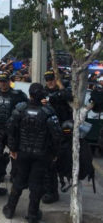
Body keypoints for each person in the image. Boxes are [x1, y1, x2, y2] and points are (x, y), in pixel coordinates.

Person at [2, 83, 62, 223]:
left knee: (18, 181)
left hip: (22, 152)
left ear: (30, 94)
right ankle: (32, 214)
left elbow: (10, 128)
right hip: (41, 154)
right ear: (42, 95)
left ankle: (10, 209)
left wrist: (13, 148)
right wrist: (54, 153)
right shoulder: (48, 112)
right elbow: (57, 135)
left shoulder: (20, 109)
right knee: (37, 184)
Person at [0, 73, 28, 184]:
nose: (3, 84)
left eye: (5, 81)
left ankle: (15, 175)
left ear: (9, 81)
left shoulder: (18, 95)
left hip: (12, 130)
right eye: (1, 81)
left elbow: (27, 106)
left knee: (15, 153)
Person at [42, 70, 73, 204]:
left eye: (52, 79)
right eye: (47, 79)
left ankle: (63, 182)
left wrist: (59, 87)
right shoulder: (44, 91)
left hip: (64, 130)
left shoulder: (65, 87)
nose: (50, 81)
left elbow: (69, 96)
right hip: (48, 131)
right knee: (49, 163)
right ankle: (51, 191)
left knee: (63, 160)